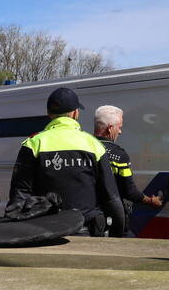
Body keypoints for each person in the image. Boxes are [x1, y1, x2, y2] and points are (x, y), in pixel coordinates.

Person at [7, 87, 125, 237]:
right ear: (76, 113)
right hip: (85, 233)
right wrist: (118, 236)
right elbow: (112, 199)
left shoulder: (33, 144)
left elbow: (19, 197)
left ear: (49, 114)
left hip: (43, 234)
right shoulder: (94, 145)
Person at [93, 105, 163, 235]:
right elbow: (129, 191)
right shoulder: (119, 155)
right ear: (110, 128)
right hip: (113, 219)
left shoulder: (84, 148)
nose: (120, 131)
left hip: (89, 217)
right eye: (119, 127)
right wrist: (151, 201)